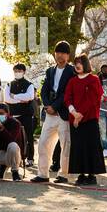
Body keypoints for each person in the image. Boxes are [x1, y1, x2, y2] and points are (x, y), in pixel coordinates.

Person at [33, 43, 76, 184]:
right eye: (58, 52)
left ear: (68, 56)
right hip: (50, 114)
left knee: (66, 145)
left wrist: (55, 106)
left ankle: (63, 175)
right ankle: (43, 174)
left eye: (63, 53)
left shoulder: (72, 71)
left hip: (64, 113)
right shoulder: (50, 71)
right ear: (54, 54)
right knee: (43, 143)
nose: (60, 55)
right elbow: (44, 90)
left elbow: (67, 93)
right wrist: (47, 106)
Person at [64, 54, 105, 185]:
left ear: (86, 64)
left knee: (90, 146)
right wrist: (73, 112)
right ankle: (81, 174)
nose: (77, 65)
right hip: (75, 119)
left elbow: (93, 99)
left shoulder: (94, 79)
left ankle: (91, 175)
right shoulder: (72, 81)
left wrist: (79, 114)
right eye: (76, 63)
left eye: (80, 62)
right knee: (78, 147)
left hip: (90, 119)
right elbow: (67, 98)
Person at [5, 63, 37, 165]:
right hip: (14, 115)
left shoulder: (29, 85)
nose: (17, 73)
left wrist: (14, 96)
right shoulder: (9, 84)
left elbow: (30, 96)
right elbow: (7, 99)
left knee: (28, 137)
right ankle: (15, 159)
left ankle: (30, 158)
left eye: (19, 71)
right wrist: (21, 99)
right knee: (13, 138)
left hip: (26, 115)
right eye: (15, 71)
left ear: (24, 72)